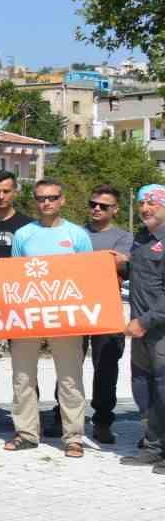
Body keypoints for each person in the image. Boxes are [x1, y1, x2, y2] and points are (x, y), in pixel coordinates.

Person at [5, 178, 93, 458]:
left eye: (52, 197)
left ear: (62, 200)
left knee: (70, 379)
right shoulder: (23, 235)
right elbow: (15, 276)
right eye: (41, 198)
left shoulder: (77, 235)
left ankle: (73, 437)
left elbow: (87, 274)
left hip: (65, 317)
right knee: (22, 377)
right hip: (28, 316)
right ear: (35, 200)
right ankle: (27, 433)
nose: (47, 202)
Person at [119, 185, 165, 473]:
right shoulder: (141, 239)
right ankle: (153, 446)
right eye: (141, 204)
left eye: (152, 203)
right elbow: (138, 277)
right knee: (143, 388)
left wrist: (146, 321)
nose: (145, 208)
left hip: (158, 329)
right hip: (140, 331)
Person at [83, 183, 133, 445]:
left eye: (103, 206)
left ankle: (103, 421)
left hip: (107, 309)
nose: (97, 209)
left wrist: (86, 260)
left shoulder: (125, 237)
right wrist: (105, 259)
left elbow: (121, 263)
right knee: (68, 367)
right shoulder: (75, 233)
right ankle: (63, 416)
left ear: (115, 209)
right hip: (75, 308)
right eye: (93, 204)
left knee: (106, 368)